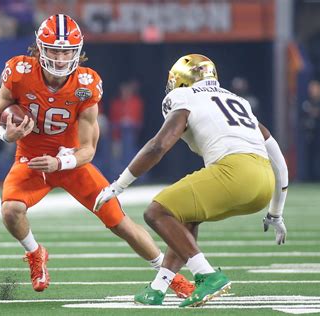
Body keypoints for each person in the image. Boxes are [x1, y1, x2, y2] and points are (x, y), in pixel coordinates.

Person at [0, 14, 194, 296]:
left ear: (77, 52)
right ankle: (36, 253)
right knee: (10, 211)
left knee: (121, 224)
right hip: (31, 159)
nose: (60, 58)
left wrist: (59, 162)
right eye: (54, 51)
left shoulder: (87, 84)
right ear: (39, 49)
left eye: (67, 51)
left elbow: (88, 150)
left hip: (71, 162)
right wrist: (5, 135)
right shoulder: (19, 72)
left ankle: (170, 277)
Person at [94, 54, 289, 307]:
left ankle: (206, 274)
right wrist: (276, 213)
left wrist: (118, 186)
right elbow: (280, 163)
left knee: (156, 212)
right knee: (184, 215)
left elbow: (157, 146)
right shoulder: (238, 100)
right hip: (263, 183)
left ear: (182, 82)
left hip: (234, 171)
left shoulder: (184, 97)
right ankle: (159, 286)